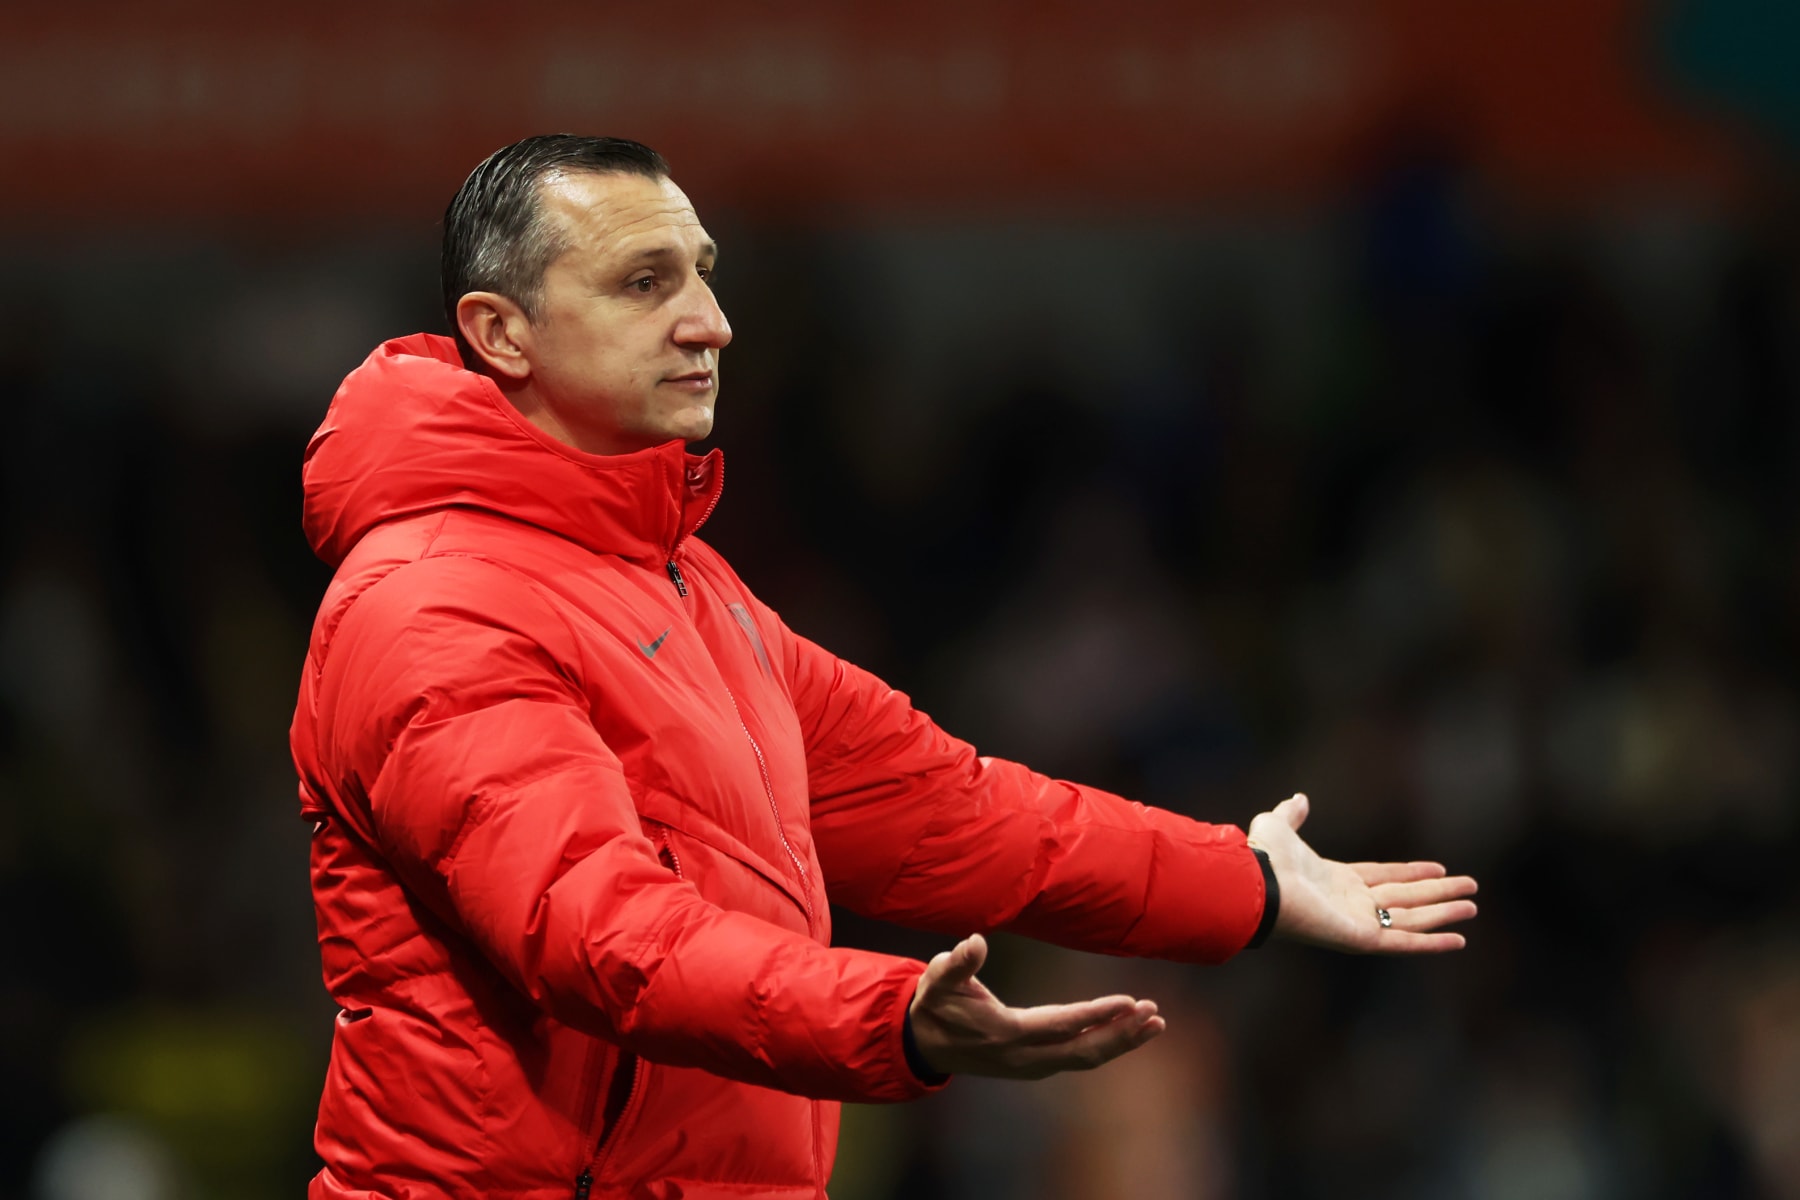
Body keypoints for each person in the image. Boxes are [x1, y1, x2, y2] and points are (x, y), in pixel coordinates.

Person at [290, 134, 1477, 1199]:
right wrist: (889, 1020)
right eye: (645, 283)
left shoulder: (688, 587)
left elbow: (956, 814)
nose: (710, 320)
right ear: (501, 332)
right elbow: (604, 937)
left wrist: (1245, 884)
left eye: (704, 272)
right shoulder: (430, 606)